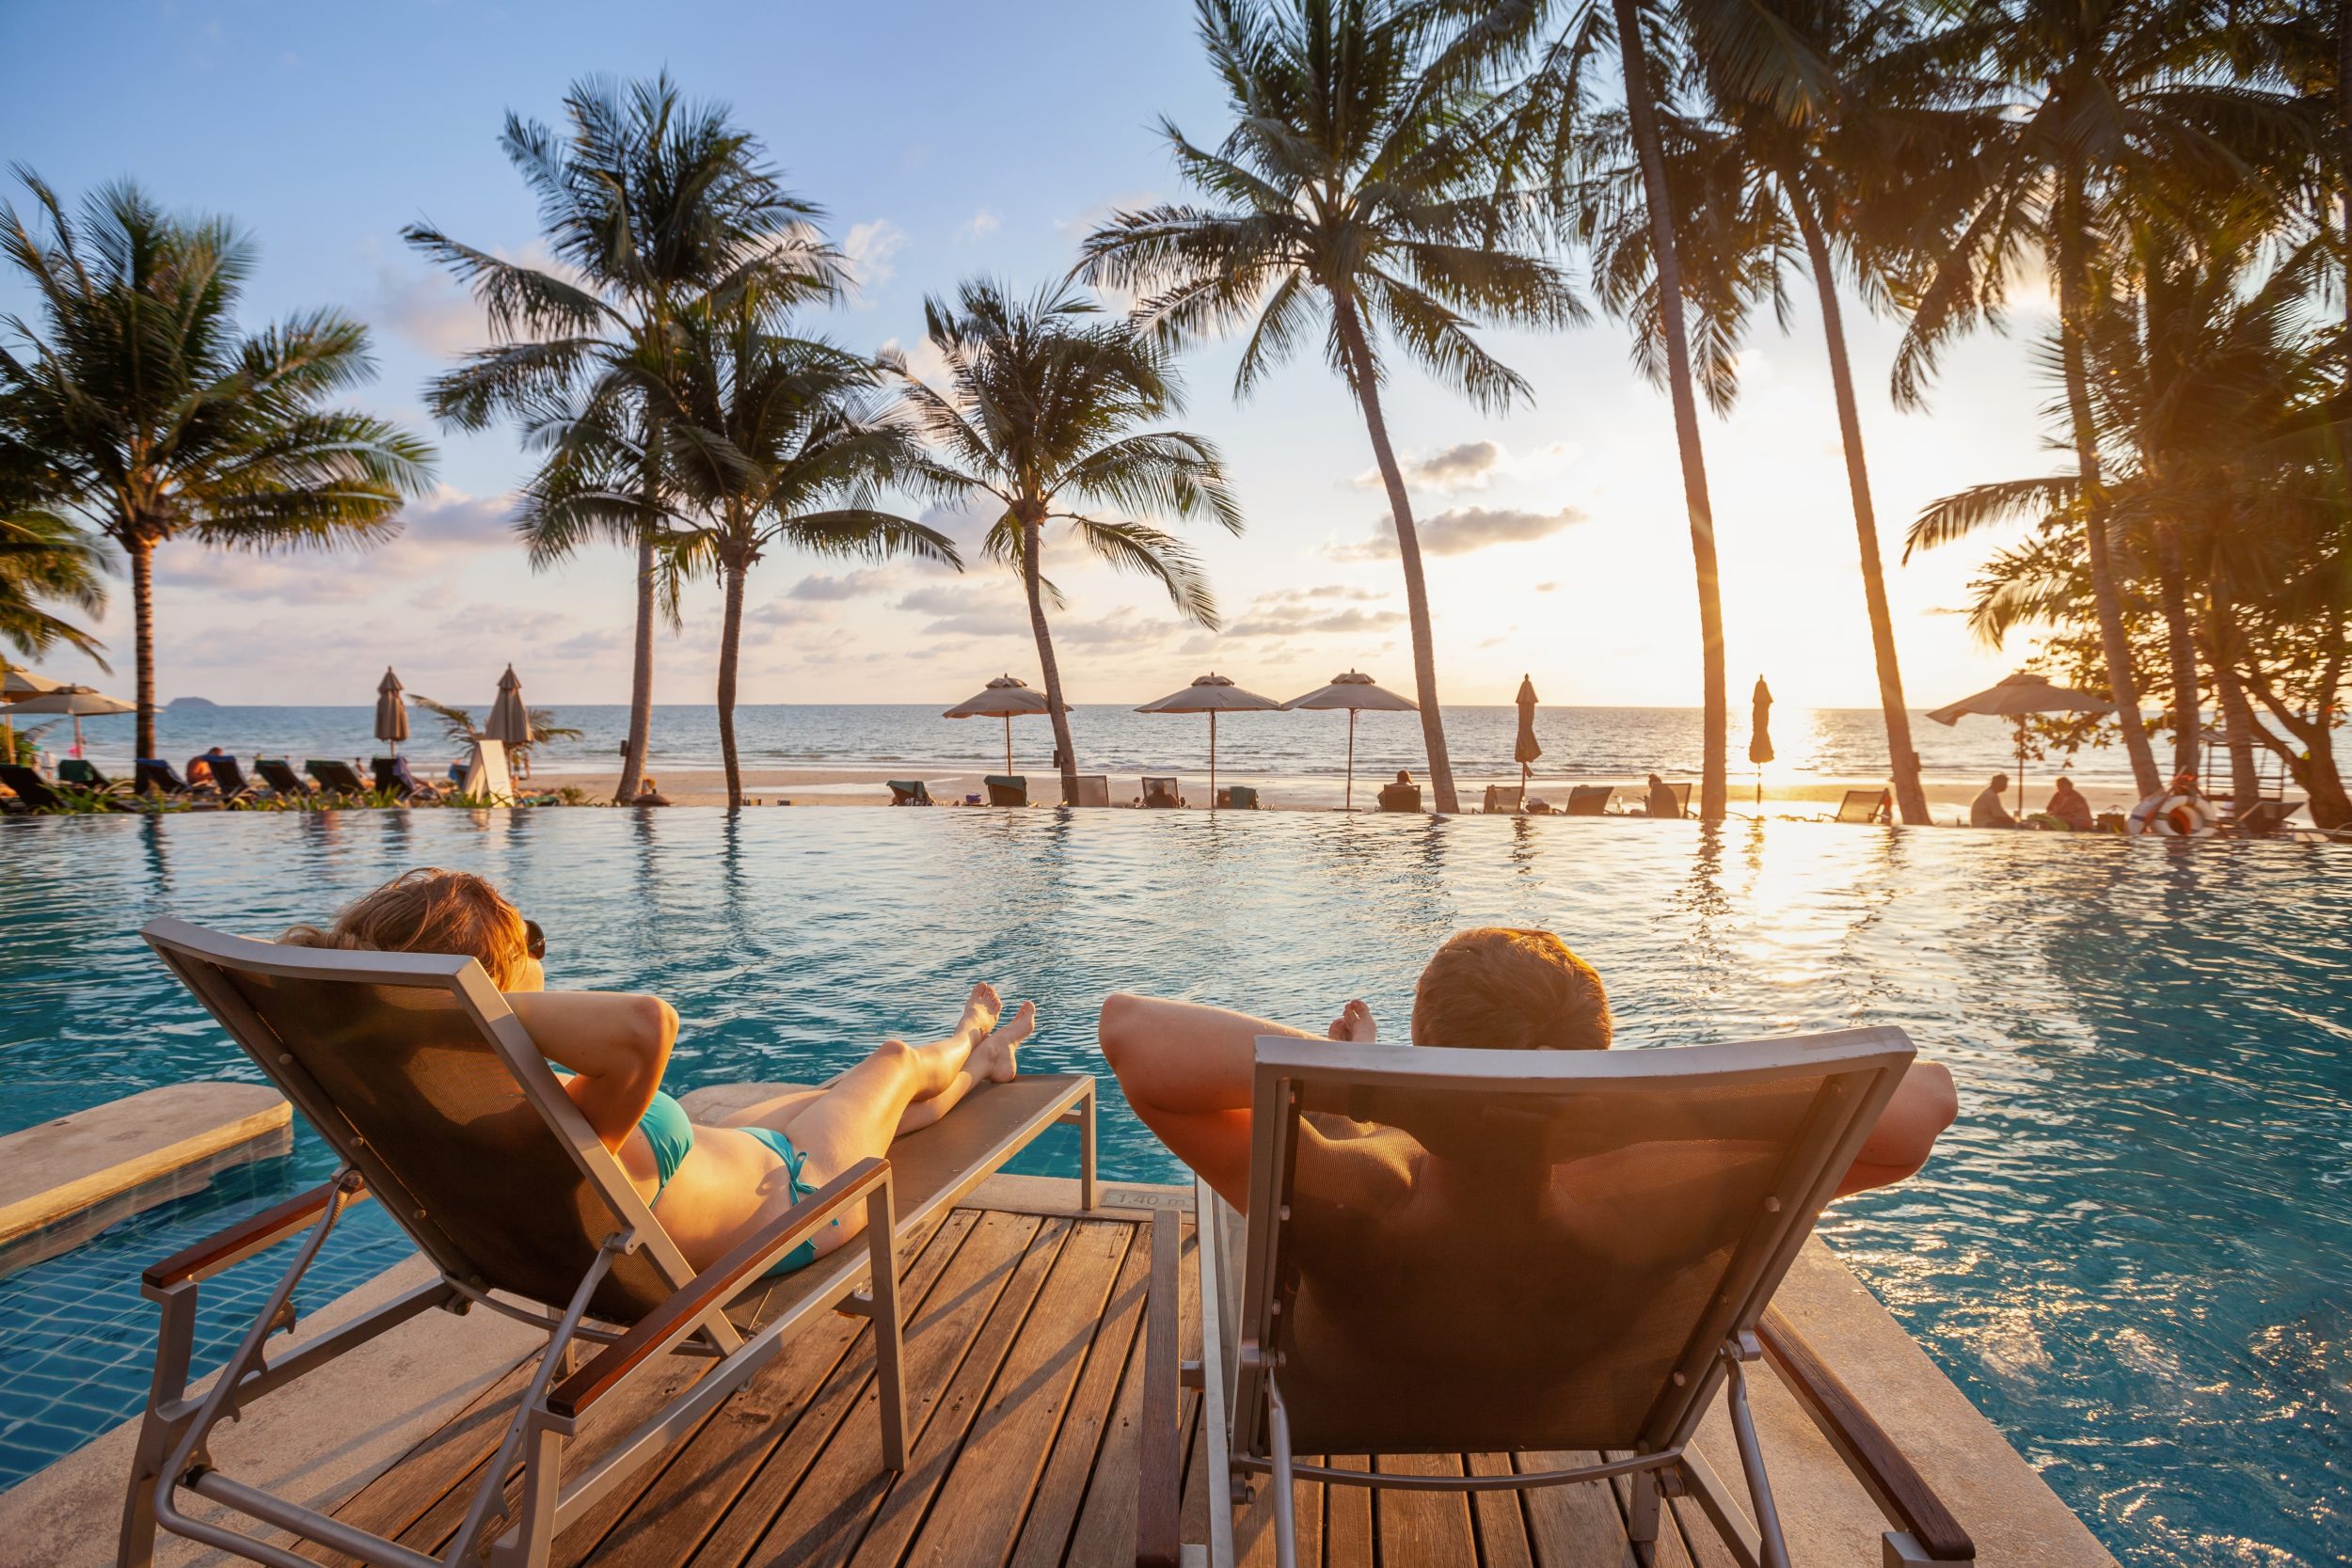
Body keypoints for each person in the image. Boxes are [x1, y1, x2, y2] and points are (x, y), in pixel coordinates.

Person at [281, 869, 1034, 1275]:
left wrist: (416, 1012)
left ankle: (983, 1062)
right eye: (527, 945)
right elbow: (648, 1022)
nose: (541, 957)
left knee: (866, 1100)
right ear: (489, 988)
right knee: (893, 1064)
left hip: (729, 1161)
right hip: (802, 1196)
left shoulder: (426, 1103)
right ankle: (973, 1030)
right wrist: (467, 1005)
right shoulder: (536, 1116)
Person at [1099, 927, 1958, 1215]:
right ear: (1603, 1056)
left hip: (1362, 1374)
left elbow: (1133, 1030)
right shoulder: (1659, 1193)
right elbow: (1925, 1100)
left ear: (1422, 1053)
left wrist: (1376, 1078)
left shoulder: (1356, 1198)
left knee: (1359, 1140)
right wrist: (1621, 1107)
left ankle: (1372, 1096)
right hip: (1592, 1401)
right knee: (1377, 1140)